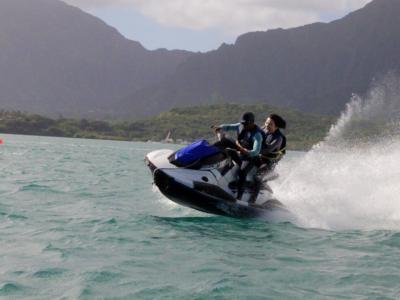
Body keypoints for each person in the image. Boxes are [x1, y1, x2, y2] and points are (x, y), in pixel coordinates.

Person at [212, 112, 265, 200]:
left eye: (246, 123)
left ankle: (239, 197)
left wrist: (243, 150)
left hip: (251, 157)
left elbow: (255, 151)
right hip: (241, 149)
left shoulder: (257, 134)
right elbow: (228, 126)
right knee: (224, 141)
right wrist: (219, 127)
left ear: (252, 122)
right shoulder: (240, 125)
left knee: (241, 172)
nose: (244, 125)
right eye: (243, 123)